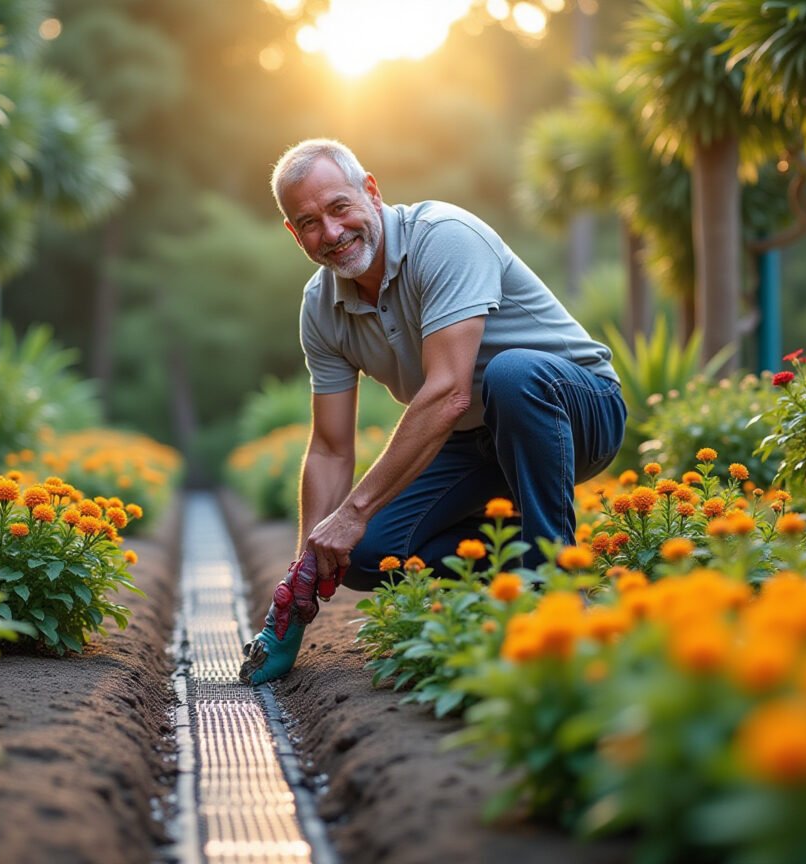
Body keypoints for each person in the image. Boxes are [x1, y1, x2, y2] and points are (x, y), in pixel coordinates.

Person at [239, 139, 626, 685]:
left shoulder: (444, 238)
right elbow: (329, 448)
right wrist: (299, 587)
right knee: (369, 553)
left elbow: (450, 393)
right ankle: (513, 554)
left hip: (578, 411)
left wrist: (351, 510)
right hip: (477, 443)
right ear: (292, 233)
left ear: (371, 191)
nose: (330, 233)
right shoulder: (320, 307)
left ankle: (554, 589)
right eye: (307, 222)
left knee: (511, 374)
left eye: (339, 207)